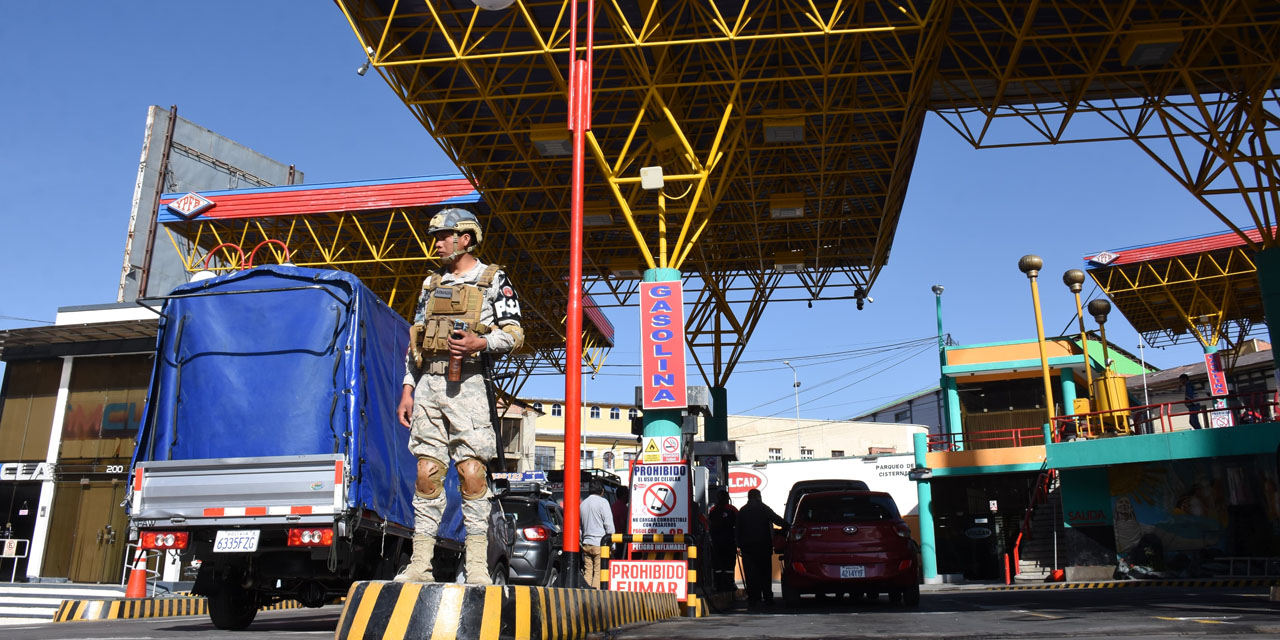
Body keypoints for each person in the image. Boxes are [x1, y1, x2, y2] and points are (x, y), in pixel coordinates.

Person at [394, 208, 524, 585]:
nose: (436, 242)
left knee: (471, 473)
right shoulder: (430, 285)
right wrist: (407, 389)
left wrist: (479, 342)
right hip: (428, 387)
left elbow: (514, 334)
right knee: (426, 472)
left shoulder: (492, 279)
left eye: (443, 235)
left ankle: (478, 565)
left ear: (465, 238)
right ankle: (421, 563)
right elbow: (414, 343)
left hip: (468, 385)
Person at [736, 489, 787, 606]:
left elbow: (737, 530)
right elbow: (777, 519)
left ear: (749, 497)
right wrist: (788, 526)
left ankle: (754, 597)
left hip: (747, 548)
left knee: (750, 573)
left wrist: (738, 545)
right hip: (763, 546)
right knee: (765, 572)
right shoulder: (763, 508)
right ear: (759, 497)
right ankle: (767, 596)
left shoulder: (742, 511)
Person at [580, 482, 615, 588]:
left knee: (588, 572)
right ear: (602, 491)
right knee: (598, 573)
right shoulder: (603, 502)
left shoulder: (583, 504)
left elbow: (580, 527)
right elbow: (609, 525)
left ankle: (584, 595)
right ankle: (595, 598)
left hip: (586, 543)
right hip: (600, 544)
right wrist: (613, 544)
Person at [708, 489, 738, 592]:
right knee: (729, 564)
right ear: (727, 498)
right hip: (729, 542)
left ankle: (718, 584)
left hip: (716, 543)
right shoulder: (732, 509)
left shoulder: (712, 510)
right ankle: (730, 583)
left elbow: (709, 525)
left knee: (717, 564)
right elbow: (738, 525)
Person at [611, 486, 630, 559]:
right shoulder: (624, 508)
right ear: (623, 495)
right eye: (627, 494)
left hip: (614, 539)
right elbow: (625, 525)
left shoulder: (613, 506)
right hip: (623, 540)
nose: (629, 496)